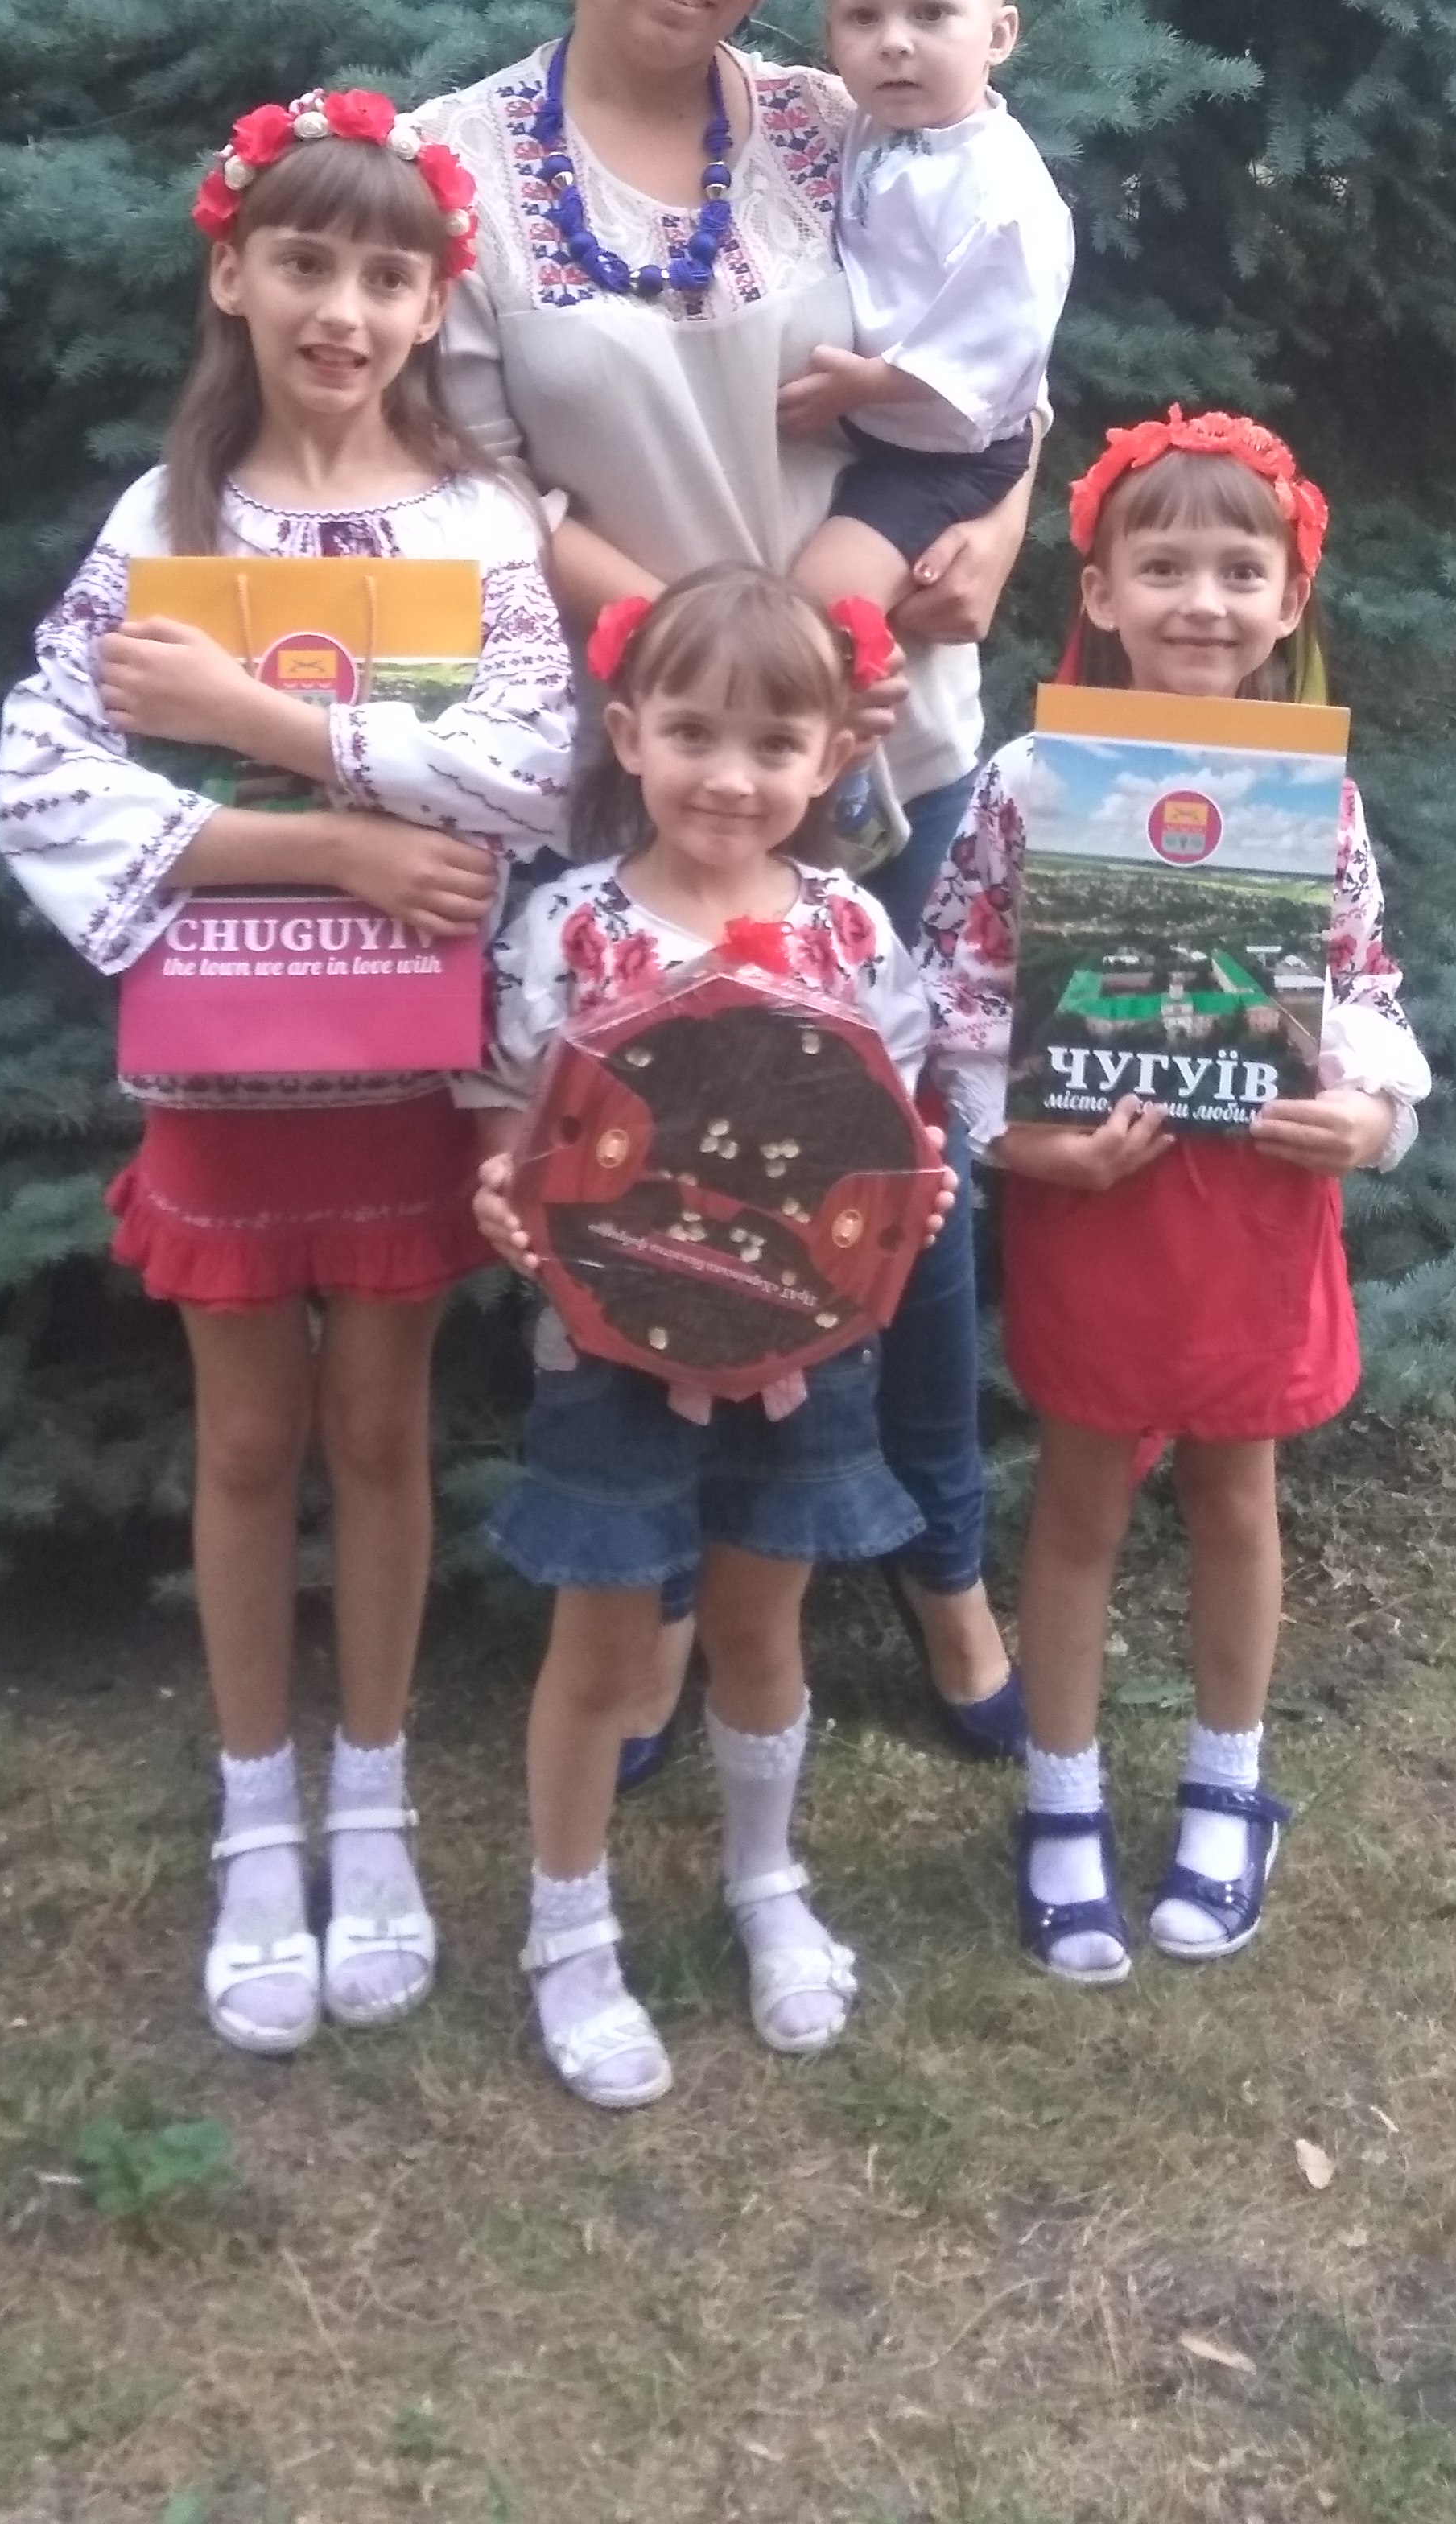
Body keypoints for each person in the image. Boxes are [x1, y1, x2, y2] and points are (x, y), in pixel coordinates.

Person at [419, 0, 1026, 1756]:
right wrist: (718, 666)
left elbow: (989, 350)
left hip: (884, 745)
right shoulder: (457, 163)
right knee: (650, 1175)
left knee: (903, 1174)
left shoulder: (836, 115)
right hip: (647, 767)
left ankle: (944, 1569)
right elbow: (473, 486)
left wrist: (995, 526)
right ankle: (658, 1604)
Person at [0, 88, 572, 2056]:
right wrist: (322, 844)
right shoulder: (162, 525)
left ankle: (377, 1797)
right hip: (227, 1067)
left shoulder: (478, 527)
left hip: (404, 1073)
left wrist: (267, 723)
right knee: (246, 1442)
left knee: (383, 1432)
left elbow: (530, 775)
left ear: (432, 306)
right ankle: (259, 1813)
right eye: (306, 263)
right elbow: (44, 777)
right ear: (231, 275)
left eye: (388, 275)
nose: (345, 308)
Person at [918, 407, 1432, 1981]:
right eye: (1163, 567)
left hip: (1256, 1204)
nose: (1200, 599)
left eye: (1236, 570)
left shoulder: (1314, 799)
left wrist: (1370, 1115)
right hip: (1098, 1193)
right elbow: (956, 985)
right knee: (1078, 1502)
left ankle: (1227, 1785)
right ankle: (1061, 1801)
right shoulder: (1028, 783)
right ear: (1102, 591)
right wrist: (1019, 1141)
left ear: (1288, 601)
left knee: (1233, 1495)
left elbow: (1363, 984)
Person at [472, 566, 948, 2109]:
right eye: (691, 732)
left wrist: (912, 1205)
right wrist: (504, 1197)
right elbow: (510, 1124)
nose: (729, 776)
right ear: (628, 733)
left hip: (803, 1353)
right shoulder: (570, 928)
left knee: (759, 1623)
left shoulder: (851, 929)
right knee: (604, 1645)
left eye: (771, 743)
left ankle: (765, 1879)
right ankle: (566, 1929)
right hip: (608, 1355)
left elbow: (891, 1139)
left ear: (830, 757)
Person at [784, 0, 1073, 627]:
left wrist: (867, 384)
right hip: (879, 429)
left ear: (998, 35)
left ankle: (852, 693)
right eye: (863, 16)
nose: (894, 44)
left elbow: (999, 342)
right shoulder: (867, 122)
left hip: (942, 453)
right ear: (831, 35)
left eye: (931, 13)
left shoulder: (1003, 195)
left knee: (820, 598)